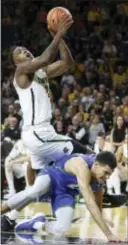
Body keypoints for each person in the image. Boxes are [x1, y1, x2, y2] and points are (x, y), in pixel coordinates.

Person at [10, 14, 74, 185]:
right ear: (17, 63)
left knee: (35, 169)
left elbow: (67, 62)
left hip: (40, 130)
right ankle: (96, 186)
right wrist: (59, 32)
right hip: (37, 130)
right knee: (82, 153)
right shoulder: (21, 71)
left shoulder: (42, 72)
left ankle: (20, 208)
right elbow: (45, 58)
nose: (25, 51)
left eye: (25, 49)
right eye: (20, 52)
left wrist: (56, 37)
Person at [1, 151, 123, 242]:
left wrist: (102, 216)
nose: (107, 177)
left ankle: (35, 224)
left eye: (109, 174)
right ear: (96, 165)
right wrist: (109, 235)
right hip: (51, 176)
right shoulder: (81, 165)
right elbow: (90, 203)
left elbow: (96, 205)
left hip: (65, 193)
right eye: (106, 172)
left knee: (62, 228)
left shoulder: (98, 181)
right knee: (35, 190)